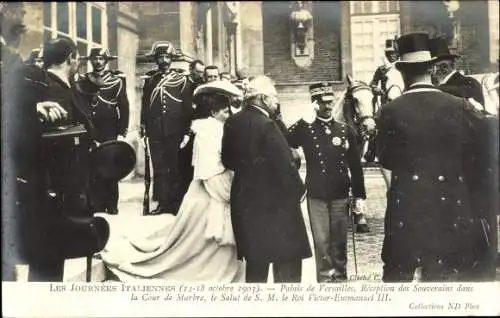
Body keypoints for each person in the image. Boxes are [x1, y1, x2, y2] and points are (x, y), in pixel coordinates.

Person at [97, 80, 245, 282]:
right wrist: (230, 195)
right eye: (224, 111)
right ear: (213, 112)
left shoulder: (215, 128)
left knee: (195, 246)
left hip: (206, 194)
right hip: (211, 195)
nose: (228, 115)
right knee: (197, 249)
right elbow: (208, 172)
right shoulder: (210, 132)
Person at [376, 32, 488, 282]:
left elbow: (386, 159)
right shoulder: (459, 105)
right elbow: (483, 145)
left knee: (401, 273)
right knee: (447, 273)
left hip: (407, 207)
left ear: (403, 72)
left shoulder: (390, 110)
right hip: (451, 205)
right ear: (432, 67)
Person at [221, 75, 312, 283]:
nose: (276, 101)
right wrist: (300, 190)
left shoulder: (233, 122)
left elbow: (227, 159)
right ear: (262, 98)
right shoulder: (267, 124)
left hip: (245, 200)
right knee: (287, 262)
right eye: (273, 97)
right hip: (276, 203)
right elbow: (285, 163)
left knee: (256, 265)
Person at [286, 82, 367, 282]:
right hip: (317, 194)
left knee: (339, 240)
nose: (328, 107)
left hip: (340, 192)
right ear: (314, 104)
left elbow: (355, 165)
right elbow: (288, 140)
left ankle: (340, 278)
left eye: (330, 102)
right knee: (321, 241)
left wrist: (359, 195)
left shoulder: (344, 129)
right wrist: (304, 118)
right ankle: (324, 278)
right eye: (323, 103)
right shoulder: (307, 128)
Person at [140, 41, 194, 215]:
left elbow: (187, 108)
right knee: (160, 168)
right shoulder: (150, 80)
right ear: (156, 59)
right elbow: (145, 108)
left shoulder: (181, 80)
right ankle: (163, 204)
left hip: (175, 132)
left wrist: (186, 132)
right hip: (155, 132)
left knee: (175, 168)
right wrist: (143, 131)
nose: (163, 60)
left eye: (166, 57)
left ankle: (176, 205)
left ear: (172, 59)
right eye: (160, 57)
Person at [78, 48, 130, 215]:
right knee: (93, 164)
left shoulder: (117, 80)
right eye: (95, 58)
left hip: (110, 127)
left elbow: (124, 107)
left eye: (101, 58)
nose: (98, 62)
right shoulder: (85, 80)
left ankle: (111, 203)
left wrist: (122, 131)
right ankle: (96, 203)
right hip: (91, 126)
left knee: (110, 164)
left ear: (106, 61)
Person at [429, 36, 485, 106]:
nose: (430, 72)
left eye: (431, 67)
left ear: (444, 67)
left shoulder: (468, 83)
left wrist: (432, 89)